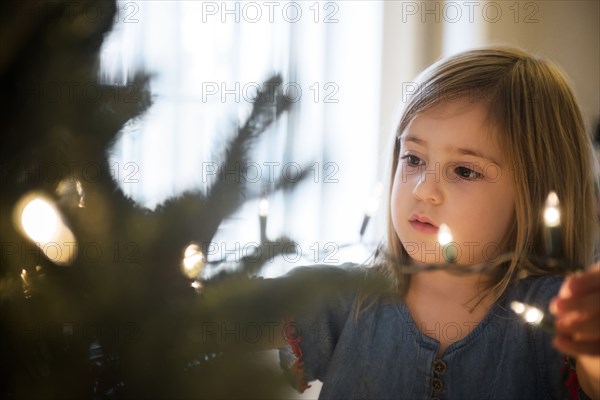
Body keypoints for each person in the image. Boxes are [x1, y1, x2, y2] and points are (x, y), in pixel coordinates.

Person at [278, 47, 600, 399]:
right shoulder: (348, 298)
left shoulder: (555, 313)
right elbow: (229, 315)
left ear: (537, 194)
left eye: (464, 170)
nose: (424, 189)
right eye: (414, 159)